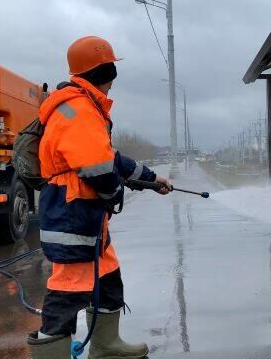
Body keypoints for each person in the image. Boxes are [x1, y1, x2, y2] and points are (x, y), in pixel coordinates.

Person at [27, 36, 172, 358]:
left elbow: (108, 158)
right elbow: (97, 167)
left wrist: (150, 179)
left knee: (106, 277)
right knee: (70, 287)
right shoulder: (79, 109)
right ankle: (51, 352)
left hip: (82, 211)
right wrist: (114, 192)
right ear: (107, 73)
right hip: (73, 211)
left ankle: (107, 346)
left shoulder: (81, 106)